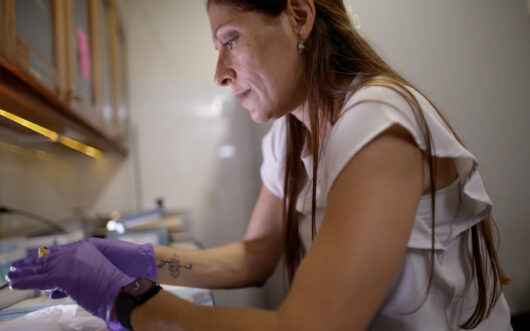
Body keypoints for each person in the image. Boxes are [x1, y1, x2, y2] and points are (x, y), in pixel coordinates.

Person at [7, 0, 512, 330]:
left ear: (299, 15)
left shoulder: (376, 122)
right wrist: (139, 260)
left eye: (231, 40)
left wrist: (124, 298)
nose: (219, 73)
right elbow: (256, 256)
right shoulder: (289, 136)